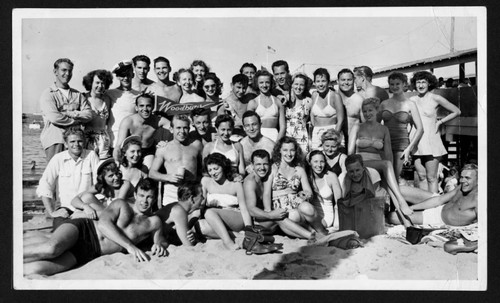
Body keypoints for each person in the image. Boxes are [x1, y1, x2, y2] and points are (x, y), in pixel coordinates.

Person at [24, 178, 168, 276]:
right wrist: (130, 246)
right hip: (84, 230)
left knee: (36, 269)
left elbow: (160, 241)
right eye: (142, 195)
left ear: (155, 198)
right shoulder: (121, 204)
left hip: (91, 251)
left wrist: (159, 246)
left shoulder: (154, 222)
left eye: (149, 197)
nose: (144, 201)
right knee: (51, 249)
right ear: (135, 194)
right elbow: (103, 224)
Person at [348, 98, 412, 216]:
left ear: (377, 110)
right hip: (360, 162)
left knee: (389, 181)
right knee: (386, 164)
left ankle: (405, 221)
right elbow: (350, 152)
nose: (367, 114)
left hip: (378, 164)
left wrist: (390, 174)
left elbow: (388, 154)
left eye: (370, 110)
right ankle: (402, 200)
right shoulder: (357, 127)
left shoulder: (383, 129)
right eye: (365, 111)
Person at [263, 136, 329, 236]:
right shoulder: (273, 168)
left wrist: (304, 194)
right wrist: (268, 212)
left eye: (292, 150)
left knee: (308, 208)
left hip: (296, 201)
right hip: (279, 206)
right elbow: (267, 193)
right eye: (285, 150)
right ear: (279, 150)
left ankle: (322, 231)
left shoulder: (299, 170)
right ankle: (310, 232)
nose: (289, 154)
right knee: (294, 216)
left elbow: (309, 192)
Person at [244, 149, 316, 239]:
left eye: (265, 164)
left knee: (284, 214)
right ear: (252, 165)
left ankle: (310, 231)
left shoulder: (268, 175)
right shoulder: (250, 182)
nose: (262, 168)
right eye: (258, 164)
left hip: (269, 217)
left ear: (270, 164)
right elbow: (251, 210)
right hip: (259, 222)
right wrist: (271, 215)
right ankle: (310, 236)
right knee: (278, 217)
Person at [410, 71, 461, 193]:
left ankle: (433, 207)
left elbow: (456, 111)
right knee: (421, 176)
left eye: (423, 82)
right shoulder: (412, 99)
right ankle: (423, 203)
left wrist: (440, 122)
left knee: (431, 177)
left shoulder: (436, 98)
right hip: (416, 141)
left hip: (431, 140)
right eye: (418, 82)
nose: (421, 85)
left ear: (429, 84)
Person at [36, 127, 99, 218]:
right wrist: (52, 212)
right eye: (72, 142)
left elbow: (99, 184)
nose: (76, 144)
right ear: (66, 144)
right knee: (63, 231)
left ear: (84, 142)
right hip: (64, 209)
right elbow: (44, 185)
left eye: (80, 141)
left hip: (86, 208)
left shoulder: (91, 155)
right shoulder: (58, 158)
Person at [388, 164, 477, 226]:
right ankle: (401, 205)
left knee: (393, 217)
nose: (462, 181)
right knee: (400, 189)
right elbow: (439, 200)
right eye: (461, 177)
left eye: (467, 178)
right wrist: (411, 208)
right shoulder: (461, 187)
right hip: (441, 204)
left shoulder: (479, 200)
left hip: (438, 218)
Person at [39, 58, 93, 161]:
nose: (67, 74)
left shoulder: (77, 95)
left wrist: (69, 113)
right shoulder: (48, 94)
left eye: (70, 71)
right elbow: (54, 117)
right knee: (56, 173)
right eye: (64, 70)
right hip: (56, 140)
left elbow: (89, 114)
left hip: (75, 141)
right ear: (55, 72)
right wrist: (76, 121)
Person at [198, 153, 253, 250]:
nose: (213, 173)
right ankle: (238, 236)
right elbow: (201, 204)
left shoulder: (235, 184)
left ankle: (228, 242)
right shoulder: (205, 181)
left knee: (209, 212)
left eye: (216, 169)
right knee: (201, 227)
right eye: (210, 170)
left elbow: (244, 209)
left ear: (223, 167)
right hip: (214, 219)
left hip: (235, 218)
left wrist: (248, 228)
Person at [149, 114, 203, 206]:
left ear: (189, 129)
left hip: (192, 190)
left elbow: (203, 168)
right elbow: (152, 173)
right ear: (171, 129)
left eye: (185, 128)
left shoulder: (196, 145)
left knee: (193, 218)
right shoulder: (163, 148)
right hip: (172, 191)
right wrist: (168, 177)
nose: (182, 131)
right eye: (178, 128)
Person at [380, 72, 423, 181]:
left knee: (394, 177)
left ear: (404, 84)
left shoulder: (410, 104)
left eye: (397, 84)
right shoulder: (384, 103)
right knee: (385, 177)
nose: (394, 87)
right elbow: (374, 124)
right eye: (392, 84)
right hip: (385, 145)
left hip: (401, 145)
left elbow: (420, 128)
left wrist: (409, 148)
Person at [113, 92, 168, 168]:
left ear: (153, 107)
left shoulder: (157, 120)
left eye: (148, 106)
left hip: (148, 151)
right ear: (136, 108)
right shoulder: (128, 121)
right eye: (141, 106)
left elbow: (175, 127)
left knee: (149, 171)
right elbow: (118, 146)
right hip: (131, 152)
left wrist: (166, 143)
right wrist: (117, 162)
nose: (145, 109)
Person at [155, 181, 205, 246]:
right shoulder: (179, 211)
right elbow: (189, 244)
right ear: (192, 198)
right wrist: (195, 240)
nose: (203, 198)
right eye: (201, 196)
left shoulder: (177, 206)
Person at [107, 60, 140, 148]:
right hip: (114, 141)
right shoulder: (109, 94)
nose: (125, 78)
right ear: (117, 77)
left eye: (128, 74)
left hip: (131, 141)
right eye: (122, 75)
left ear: (132, 75)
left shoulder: (139, 95)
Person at [82, 69, 114, 159]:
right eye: (97, 82)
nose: (100, 86)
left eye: (103, 83)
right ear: (90, 83)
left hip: (104, 139)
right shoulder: (84, 98)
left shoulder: (107, 99)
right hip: (88, 139)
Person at [310, 68, 345, 149]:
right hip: (317, 134)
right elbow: (311, 115)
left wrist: (333, 137)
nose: (321, 84)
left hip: (334, 132)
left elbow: (341, 120)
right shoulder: (314, 95)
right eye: (318, 81)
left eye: (323, 81)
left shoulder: (335, 96)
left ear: (328, 82)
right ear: (314, 83)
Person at [202, 114, 246, 179]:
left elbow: (241, 169)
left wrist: (240, 176)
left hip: (233, 182)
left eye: (229, 130)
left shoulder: (238, 146)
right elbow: (205, 171)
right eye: (223, 129)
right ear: (216, 129)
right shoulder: (208, 146)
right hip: (215, 184)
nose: (226, 133)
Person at [307, 150, 342, 228]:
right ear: (310, 163)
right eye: (315, 161)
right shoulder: (307, 177)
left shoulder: (331, 176)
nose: (319, 165)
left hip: (326, 217)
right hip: (309, 214)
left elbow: (339, 201)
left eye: (322, 161)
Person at [247, 70, 286, 142]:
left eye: (267, 82)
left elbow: (283, 126)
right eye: (261, 82)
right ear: (257, 84)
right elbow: (248, 125)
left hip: (275, 137)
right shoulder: (253, 102)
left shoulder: (278, 102)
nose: (264, 85)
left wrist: (277, 142)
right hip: (258, 138)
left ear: (271, 83)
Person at [285, 73, 313, 155]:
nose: (298, 87)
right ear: (292, 85)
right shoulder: (286, 99)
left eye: (301, 85)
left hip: (302, 135)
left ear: (305, 87)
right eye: (296, 84)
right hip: (288, 135)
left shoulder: (308, 101)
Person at [336, 68, 365, 145]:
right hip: (335, 143)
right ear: (337, 81)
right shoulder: (332, 98)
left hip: (354, 142)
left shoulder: (359, 100)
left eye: (349, 80)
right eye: (343, 80)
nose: (346, 82)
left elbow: (366, 126)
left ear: (353, 80)